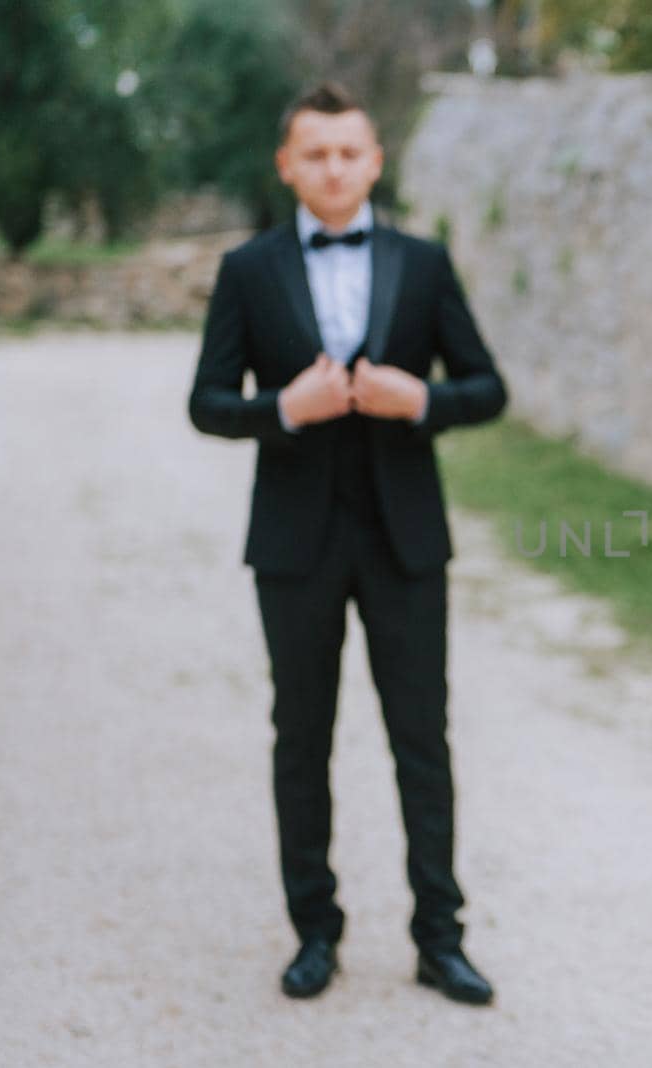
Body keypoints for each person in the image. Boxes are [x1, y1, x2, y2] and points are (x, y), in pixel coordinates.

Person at [186, 82, 507, 1005]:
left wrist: (426, 401)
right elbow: (206, 403)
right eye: (313, 153)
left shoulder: (425, 260)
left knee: (423, 742)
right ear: (286, 164)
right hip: (294, 544)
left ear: (374, 161)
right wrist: (284, 408)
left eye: (348, 152)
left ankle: (440, 938)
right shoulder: (248, 270)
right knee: (302, 738)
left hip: (407, 540)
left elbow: (487, 388)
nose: (332, 167)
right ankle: (313, 931)